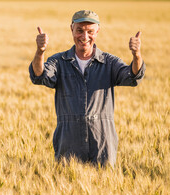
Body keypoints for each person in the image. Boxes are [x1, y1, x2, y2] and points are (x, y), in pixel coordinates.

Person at [29, 10, 146, 167]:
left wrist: (137, 55)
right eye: (80, 31)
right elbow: (39, 76)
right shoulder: (59, 62)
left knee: (104, 187)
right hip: (68, 141)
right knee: (66, 184)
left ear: (97, 31)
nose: (84, 37)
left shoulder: (109, 62)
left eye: (90, 31)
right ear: (72, 29)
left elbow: (133, 76)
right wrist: (40, 52)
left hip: (102, 142)